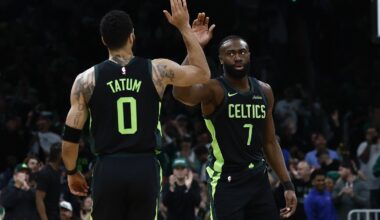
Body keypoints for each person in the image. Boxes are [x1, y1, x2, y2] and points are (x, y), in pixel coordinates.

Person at [61, 1, 211, 219]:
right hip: (144, 167)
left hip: (108, 167)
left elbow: (70, 137)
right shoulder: (157, 69)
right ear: (132, 36)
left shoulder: (86, 80)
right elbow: (201, 73)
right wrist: (184, 28)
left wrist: (72, 172)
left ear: (103, 40)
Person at [172, 13, 297, 220]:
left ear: (249, 55)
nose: (237, 57)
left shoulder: (264, 91)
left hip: (258, 177)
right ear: (221, 59)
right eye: (230, 53)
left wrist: (287, 184)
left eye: (242, 52)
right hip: (226, 180)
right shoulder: (214, 89)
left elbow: (270, 142)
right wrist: (194, 45)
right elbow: (180, 93)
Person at [35, 143, 62, 220]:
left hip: (54, 215)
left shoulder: (58, 171)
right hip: (46, 216)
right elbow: (39, 199)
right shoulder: (46, 173)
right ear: (60, 154)